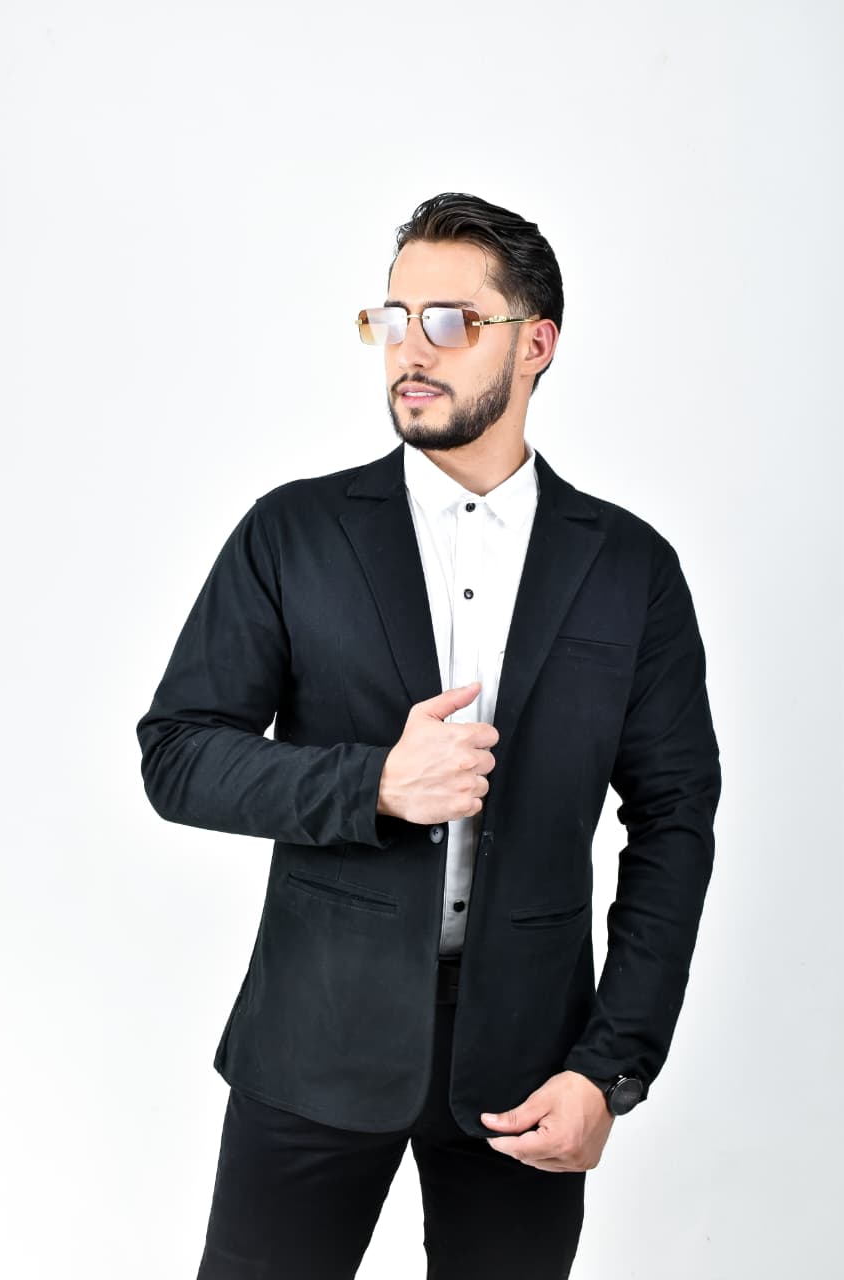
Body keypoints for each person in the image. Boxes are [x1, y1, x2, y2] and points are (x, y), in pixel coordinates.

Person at [136, 191, 722, 1279]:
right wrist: (373, 785)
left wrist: (610, 1068)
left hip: (531, 1064)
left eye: (449, 320)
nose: (410, 348)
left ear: (534, 344)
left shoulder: (630, 567)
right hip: (311, 1040)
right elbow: (177, 752)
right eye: (393, 317)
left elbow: (675, 822)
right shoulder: (294, 531)